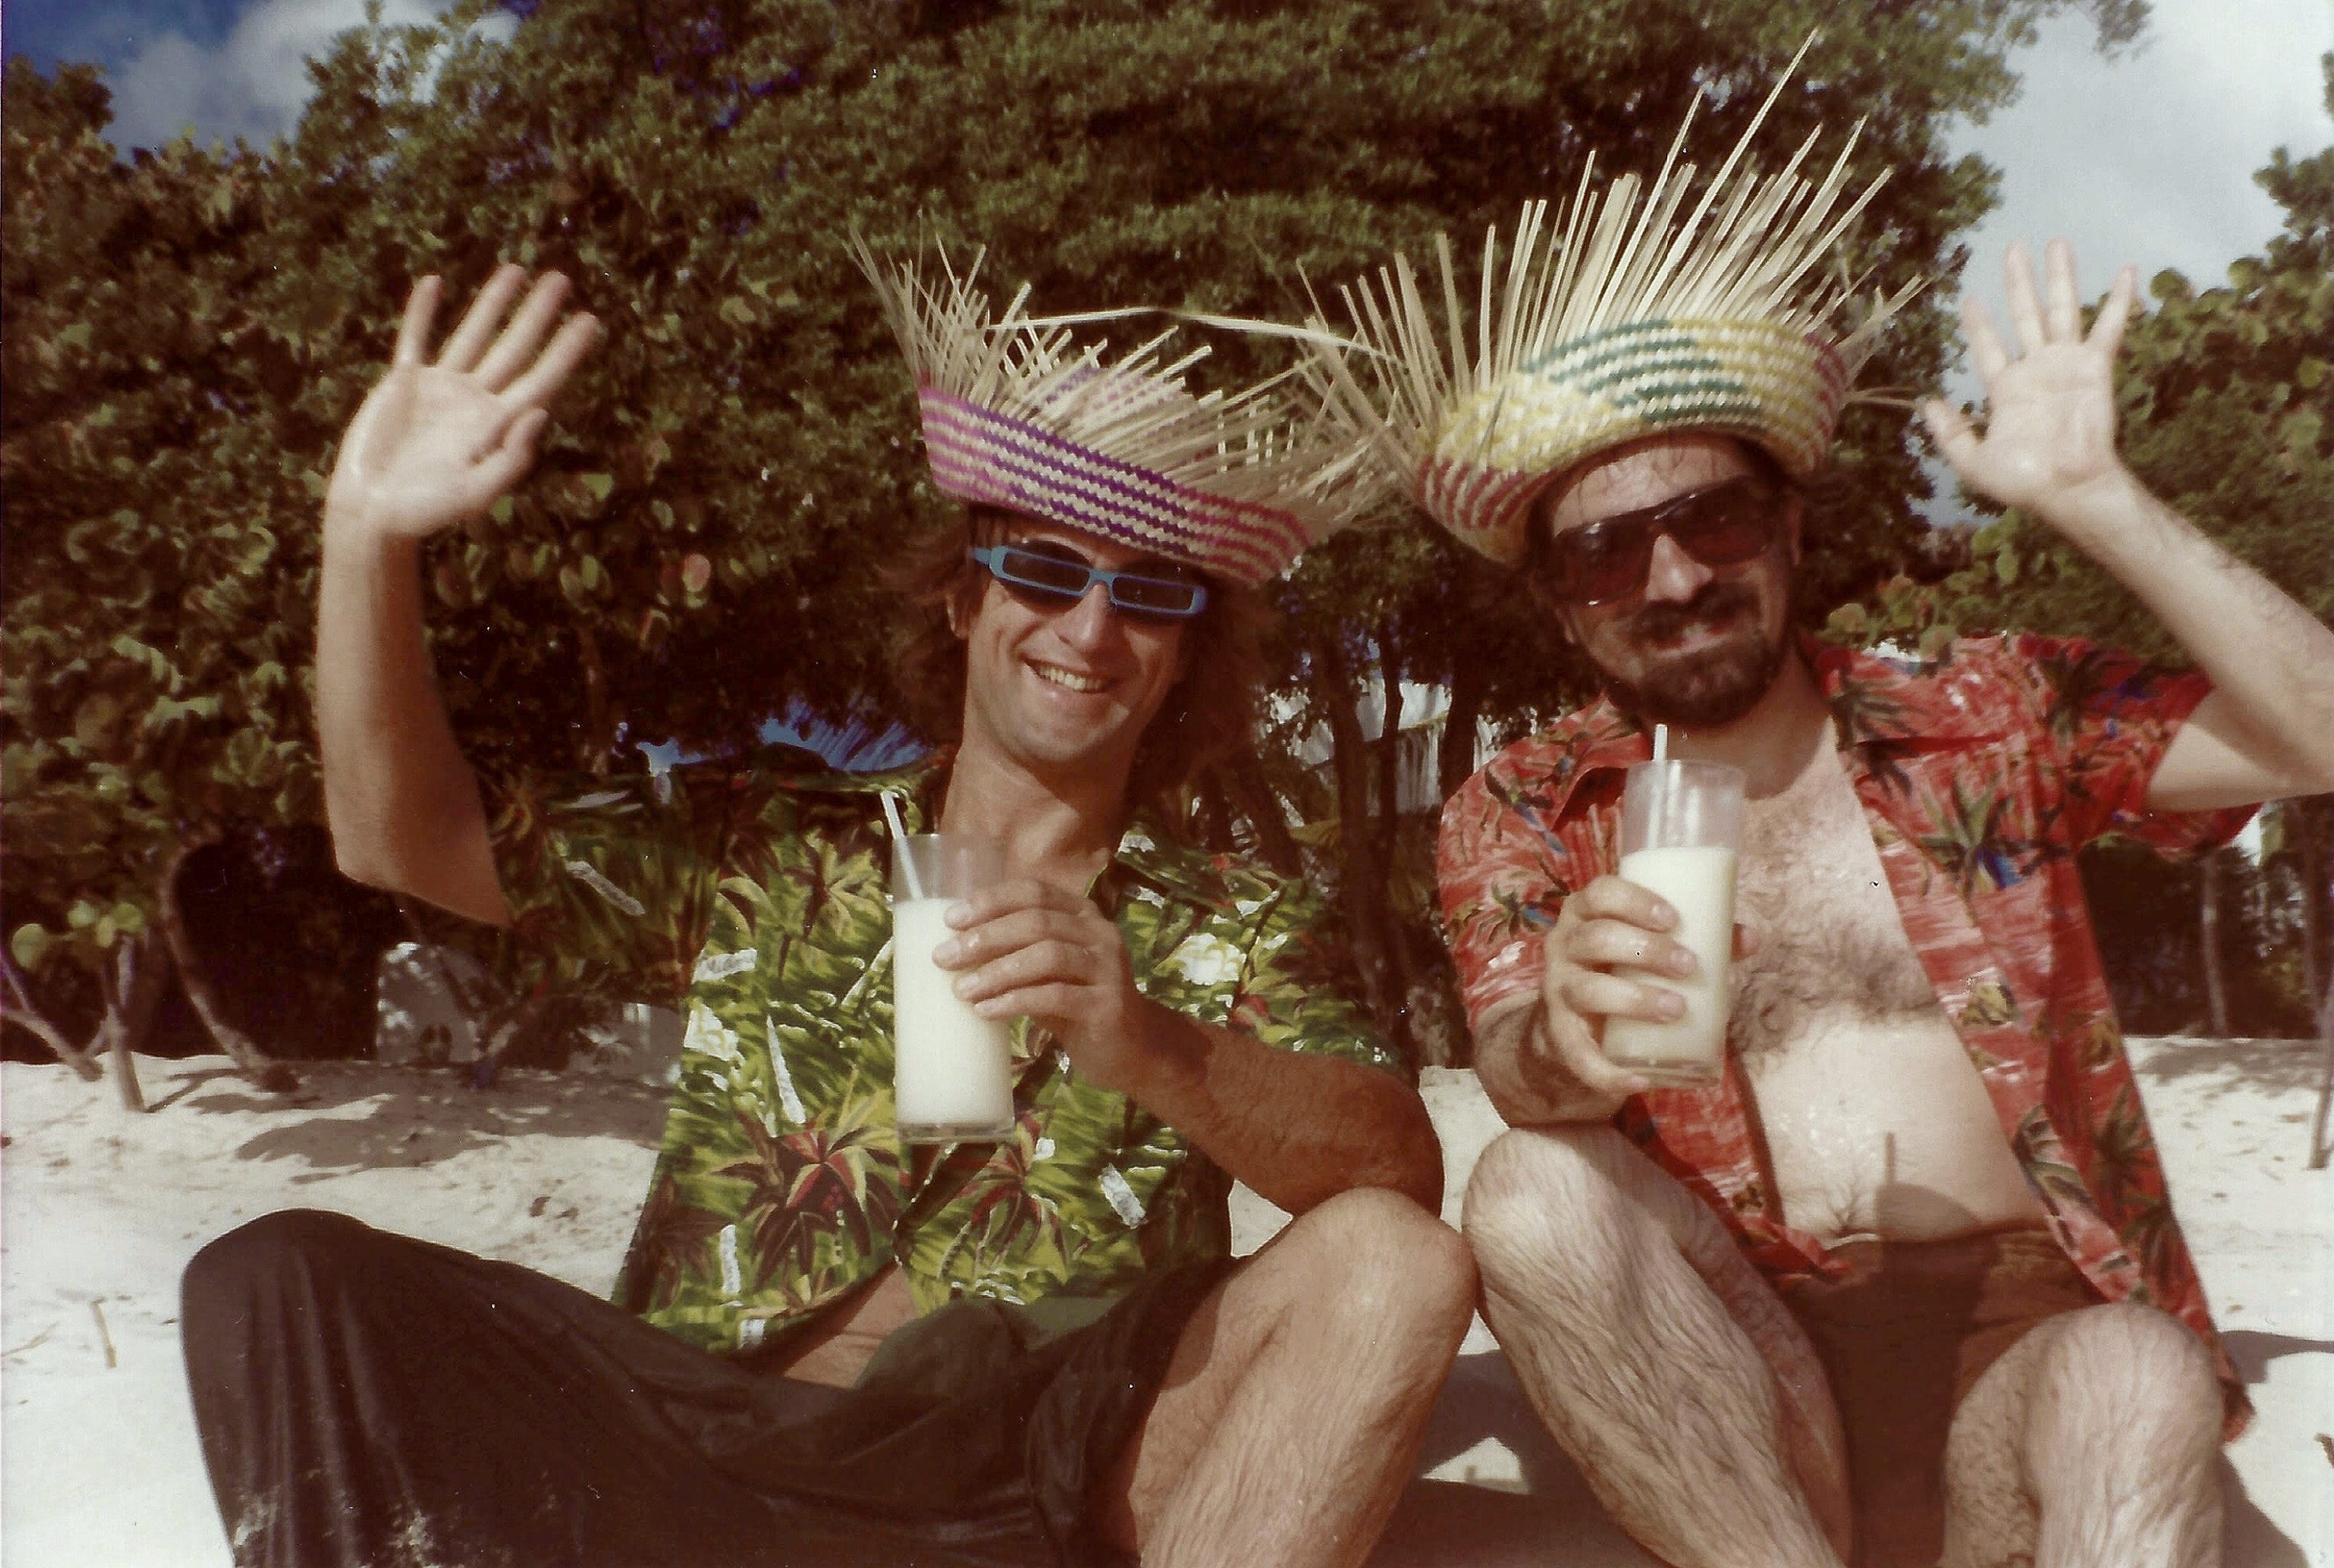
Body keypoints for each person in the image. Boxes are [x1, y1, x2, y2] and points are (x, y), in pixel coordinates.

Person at [179, 244, 1472, 1568]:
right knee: (279, 1277)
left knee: (1395, 1267)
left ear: (1185, 653)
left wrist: (1147, 1041)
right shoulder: (771, 840)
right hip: (696, 1437)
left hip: (1027, 1460)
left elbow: (1395, 1179)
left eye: (1147, 594)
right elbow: (402, 841)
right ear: (963, 597)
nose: (1090, 631)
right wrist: (367, 537)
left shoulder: (1235, 921)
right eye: (1044, 572)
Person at [1294, 81, 2334, 1568]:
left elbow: (2317, 737)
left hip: (2020, 1344)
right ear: (1561, 605)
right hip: (1739, 1373)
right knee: (1531, 1188)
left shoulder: (1980, 714)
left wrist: (2099, 501)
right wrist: (1568, 1045)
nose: (1671, 579)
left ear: (1789, 527)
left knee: (2137, 1374)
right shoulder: (1526, 800)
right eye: (1605, 553)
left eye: (1712, 519)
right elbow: (1519, 1070)